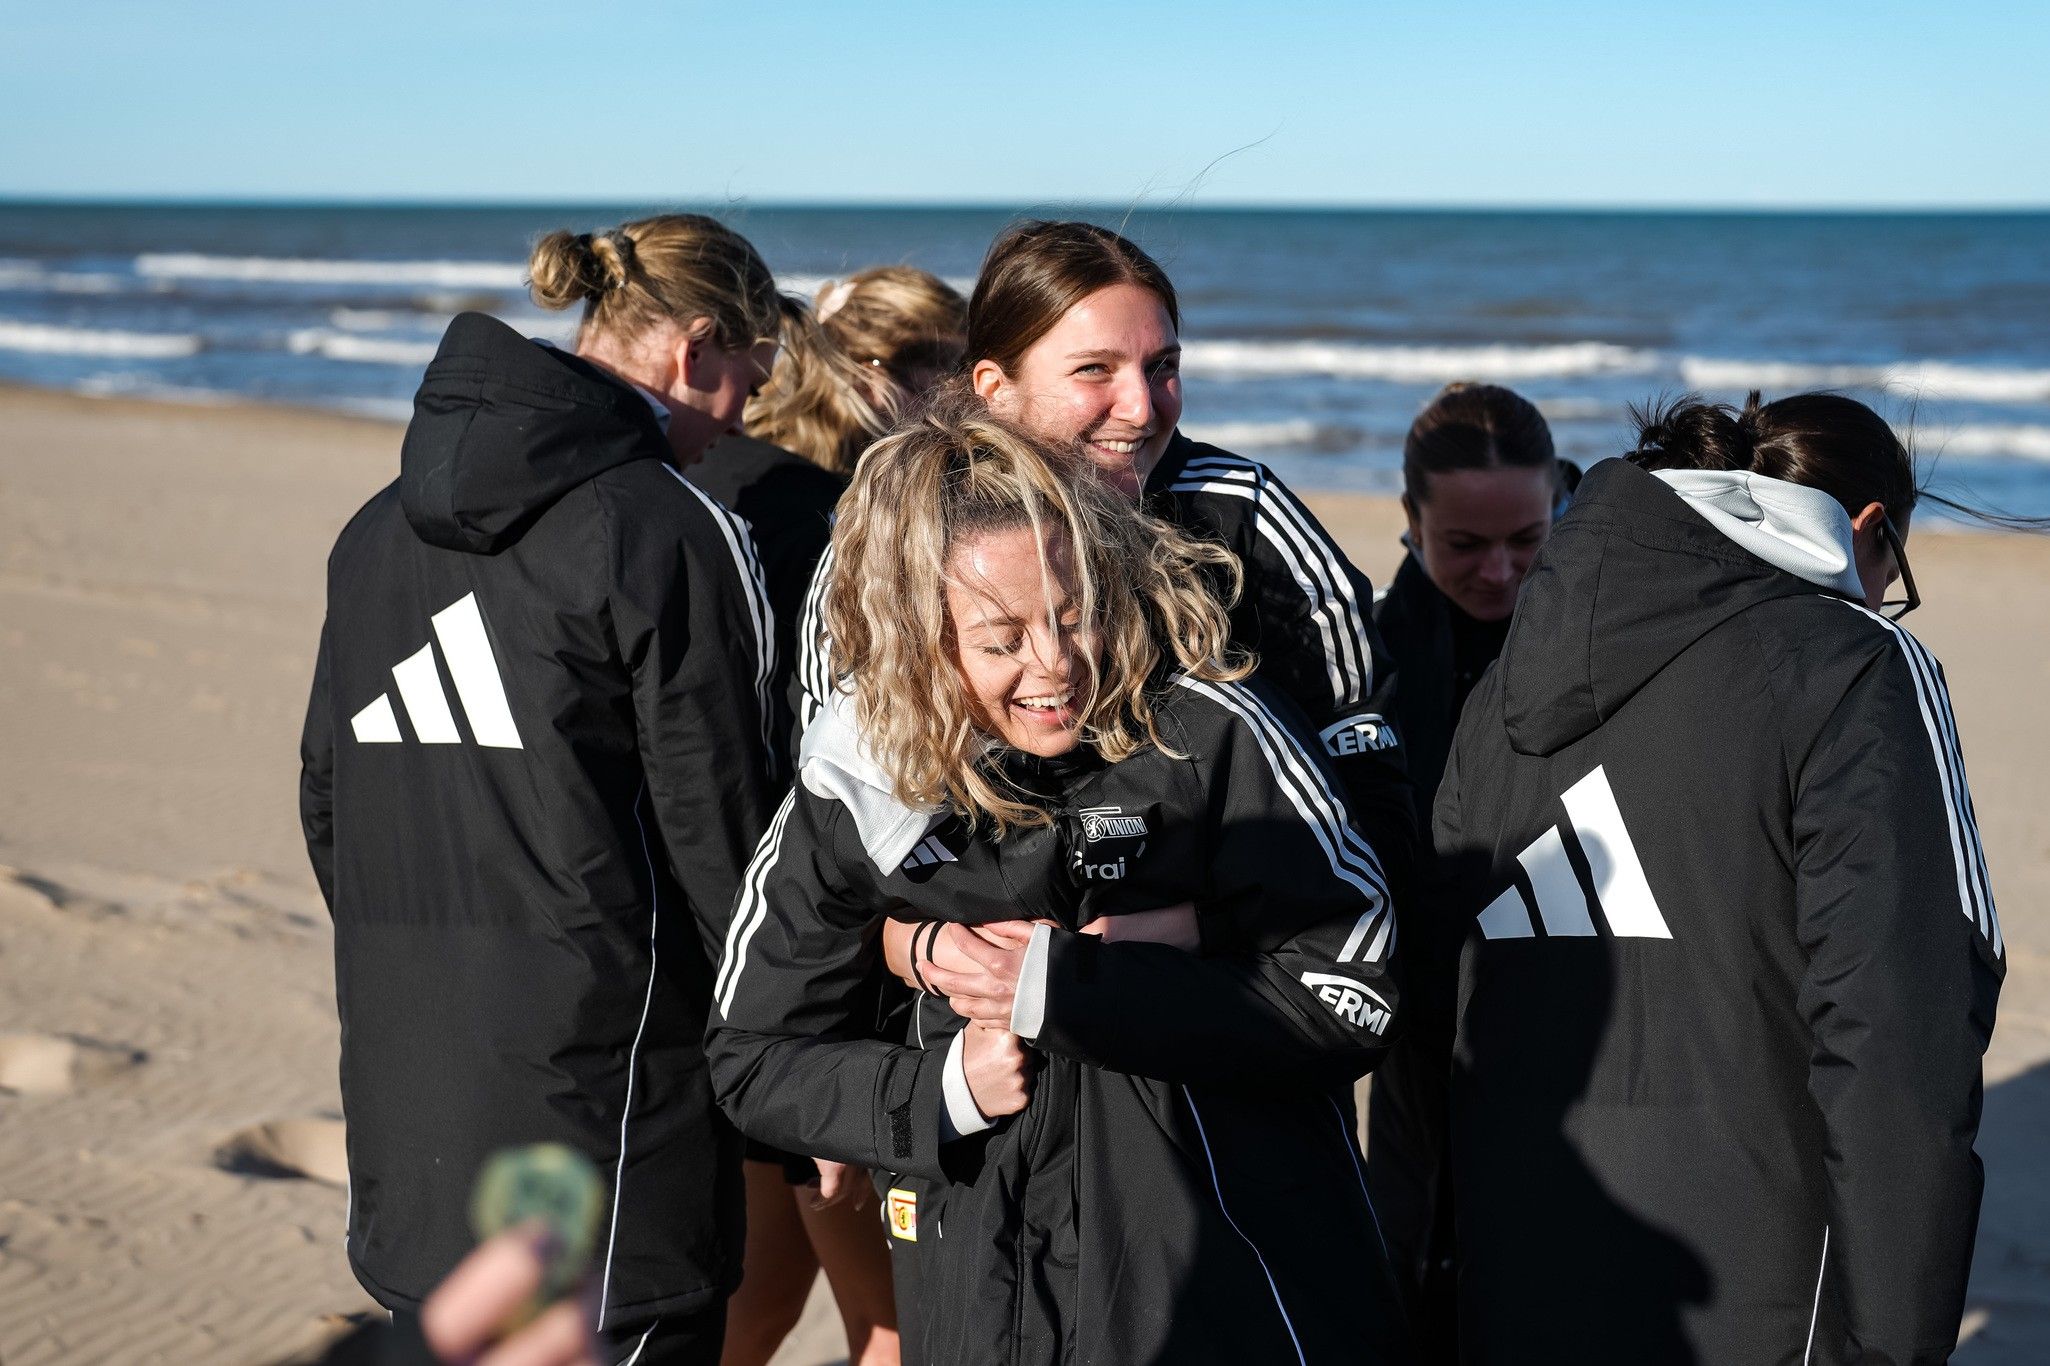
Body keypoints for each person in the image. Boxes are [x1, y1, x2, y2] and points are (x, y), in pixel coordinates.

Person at [707, 399, 1414, 1364]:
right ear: (921, 637)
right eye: (1001, 640)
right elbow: (753, 1055)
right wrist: (941, 1090)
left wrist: (1072, 986)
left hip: (1226, 1291)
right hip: (979, 1290)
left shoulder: (1208, 732)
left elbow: (1354, 990)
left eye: (1076, 617)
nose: (1056, 668)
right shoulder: (860, 779)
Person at [1405, 391, 2005, 1363]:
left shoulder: (1503, 688)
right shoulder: (1857, 663)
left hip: (1514, 1281)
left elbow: (1436, 1016)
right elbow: (1902, 1032)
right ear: (1866, 529)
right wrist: (1895, 1346)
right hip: (1761, 1300)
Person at [299, 213, 782, 1366]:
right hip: (615, 1137)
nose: (741, 425)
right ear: (697, 347)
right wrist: (800, 1069)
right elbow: (733, 852)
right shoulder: (666, 530)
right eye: (748, 386)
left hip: (409, 1105)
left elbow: (329, 810)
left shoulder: (372, 533)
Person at [794, 221, 1415, 888]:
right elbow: (835, 801)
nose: (1143, 407)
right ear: (993, 387)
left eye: (1163, 367)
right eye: (1095, 369)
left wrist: (1208, 927)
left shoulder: (1246, 515)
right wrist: (918, 941)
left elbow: (1366, 767)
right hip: (959, 956)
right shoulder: (896, 534)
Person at [691, 267, 963, 1366]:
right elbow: (830, 789)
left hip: (746, 967)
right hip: (825, 976)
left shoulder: (739, 496)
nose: (971, 388)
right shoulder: (849, 529)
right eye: (947, 363)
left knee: (753, 1305)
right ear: (871, 375)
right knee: (892, 1323)